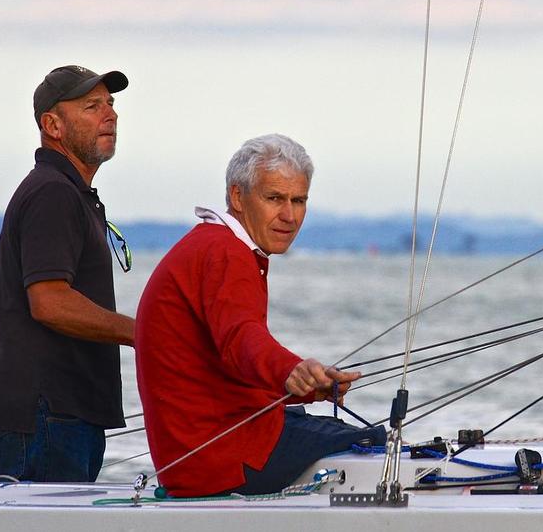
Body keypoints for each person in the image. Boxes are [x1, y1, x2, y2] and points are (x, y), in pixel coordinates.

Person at [135, 133, 385, 497]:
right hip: (223, 459)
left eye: (299, 201)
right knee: (376, 441)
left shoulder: (208, 244)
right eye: (274, 199)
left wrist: (302, 386)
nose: (289, 215)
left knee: (310, 424)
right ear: (238, 197)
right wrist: (289, 371)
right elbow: (241, 337)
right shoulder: (226, 253)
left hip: (194, 455)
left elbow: (230, 354)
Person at [0, 65, 137, 482]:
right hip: (45, 418)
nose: (110, 115)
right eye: (91, 106)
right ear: (53, 125)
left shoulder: (65, 191)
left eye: (110, 104)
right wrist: (143, 332)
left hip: (59, 418)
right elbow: (49, 302)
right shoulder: (53, 192)